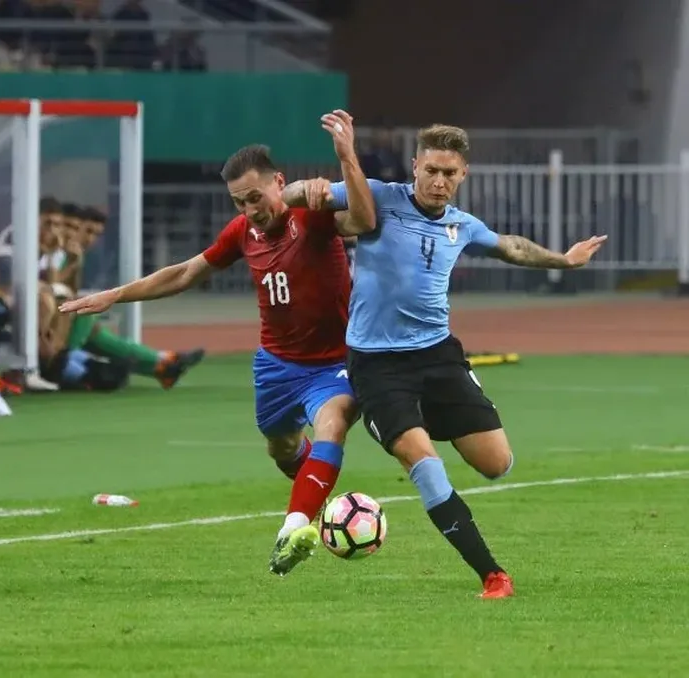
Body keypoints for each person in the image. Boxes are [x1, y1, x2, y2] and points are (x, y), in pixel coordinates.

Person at [288, 117, 606, 599]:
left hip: (438, 356)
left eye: (450, 174)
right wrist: (306, 187)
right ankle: (492, 574)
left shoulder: (462, 225)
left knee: (497, 464)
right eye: (432, 170)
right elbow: (294, 196)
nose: (440, 181)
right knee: (426, 463)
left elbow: (511, 247)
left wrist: (565, 259)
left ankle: (405, 427)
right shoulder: (378, 196)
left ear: (463, 175)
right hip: (377, 364)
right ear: (414, 166)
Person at [60, 126, 374, 576]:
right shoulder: (242, 233)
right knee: (282, 449)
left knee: (333, 424)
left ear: (279, 183)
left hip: (334, 363)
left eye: (254, 197)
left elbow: (363, 220)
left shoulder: (313, 216)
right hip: (277, 366)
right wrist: (116, 294)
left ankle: (293, 528)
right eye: (239, 202)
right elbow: (186, 273)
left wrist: (347, 158)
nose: (249, 209)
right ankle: (316, 497)